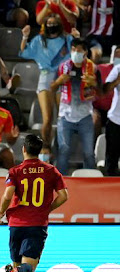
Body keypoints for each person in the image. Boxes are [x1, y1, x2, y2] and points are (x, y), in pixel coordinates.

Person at [0, 133, 68, 272]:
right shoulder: (51, 171)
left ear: (24, 150)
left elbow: (7, 195)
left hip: (15, 225)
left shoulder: (14, 171)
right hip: (36, 224)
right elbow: (64, 196)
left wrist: (1, 213)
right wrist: (48, 209)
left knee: (16, 267)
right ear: (40, 151)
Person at [19, 16, 78, 161]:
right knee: (47, 118)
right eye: (49, 23)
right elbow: (24, 52)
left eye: (55, 23)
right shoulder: (39, 40)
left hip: (63, 77)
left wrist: (77, 38)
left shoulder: (67, 39)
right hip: (45, 77)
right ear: (45, 25)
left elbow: (77, 55)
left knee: (62, 118)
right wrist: (25, 37)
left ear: (60, 25)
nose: (52, 25)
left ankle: (62, 149)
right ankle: (45, 148)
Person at [51, 38, 101, 175]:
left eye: (79, 50)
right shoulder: (63, 67)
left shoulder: (94, 69)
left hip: (85, 116)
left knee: (89, 153)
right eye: (73, 50)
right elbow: (52, 87)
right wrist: (58, 81)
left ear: (85, 52)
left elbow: (102, 93)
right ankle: (59, 180)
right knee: (64, 150)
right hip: (65, 116)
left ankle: (90, 180)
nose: (76, 53)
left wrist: (94, 83)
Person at [103, 50, 120, 176]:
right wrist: (117, 80)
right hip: (115, 120)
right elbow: (105, 90)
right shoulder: (117, 69)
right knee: (111, 160)